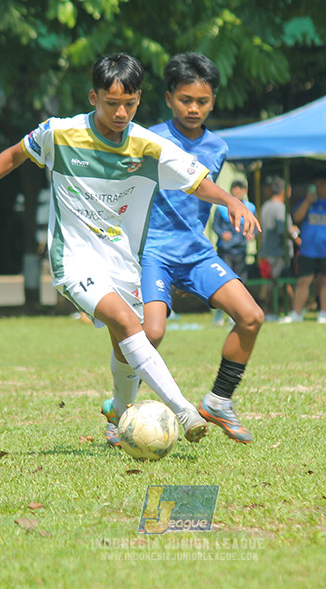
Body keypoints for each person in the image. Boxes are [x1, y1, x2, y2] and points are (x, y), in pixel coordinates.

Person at [0, 53, 259, 444]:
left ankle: (119, 413)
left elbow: (196, 182)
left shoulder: (149, 146)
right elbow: (14, 154)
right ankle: (185, 411)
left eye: (130, 103)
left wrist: (232, 201)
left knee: (129, 336)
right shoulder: (59, 133)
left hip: (123, 259)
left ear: (139, 99)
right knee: (127, 323)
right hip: (73, 259)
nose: (121, 113)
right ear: (93, 97)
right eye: (112, 103)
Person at [120, 53, 265, 446]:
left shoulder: (218, 147)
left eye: (202, 101)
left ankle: (218, 401)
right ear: (169, 98)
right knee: (151, 332)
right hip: (154, 251)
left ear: (213, 101)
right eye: (185, 99)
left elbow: (199, 189)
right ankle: (122, 411)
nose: (194, 108)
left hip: (198, 252)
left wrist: (232, 206)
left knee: (251, 316)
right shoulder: (147, 138)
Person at [280, 171, 326, 324]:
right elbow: (296, 218)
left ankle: (324, 314)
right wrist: (307, 201)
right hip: (308, 250)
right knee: (303, 281)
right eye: (316, 185)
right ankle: (296, 314)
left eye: (322, 185)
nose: (320, 188)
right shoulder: (307, 201)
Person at [256, 176, 298, 316]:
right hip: (278, 252)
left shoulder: (265, 206)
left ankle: (292, 309)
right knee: (274, 283)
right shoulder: (280, 207)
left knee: (274, 283)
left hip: (266, 251)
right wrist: (294, 235)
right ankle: (273, 312)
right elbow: (283, 231)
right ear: (285, 191)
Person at [212, 179, 255, 279]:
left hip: (241, 249)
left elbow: (254, 226)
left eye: (240, 189)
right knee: (225, 278)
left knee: (241, 279)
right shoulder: (222, 207)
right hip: (226, 249)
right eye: (235, 189)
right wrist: (222, 234)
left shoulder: (250, 208)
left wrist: (252, 234)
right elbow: (215, 225)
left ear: (244, 191)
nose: (237, 191)